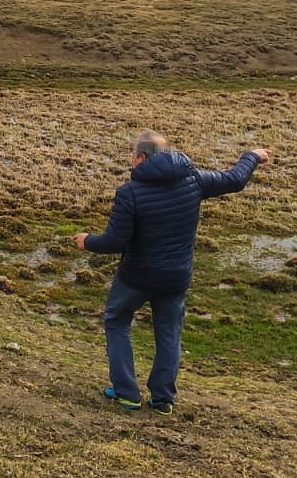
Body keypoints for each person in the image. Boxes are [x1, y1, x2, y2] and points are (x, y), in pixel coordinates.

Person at [74, 131, 270, 414]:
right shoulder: (194, 180)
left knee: (117, 321)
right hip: (176, 277)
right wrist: (252, 155)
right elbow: (235, 179)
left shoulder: (129, 193)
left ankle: (127, 393)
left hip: (137, 277)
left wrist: (87, 240)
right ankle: (163, 398)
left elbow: (115, 242)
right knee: (169, 333)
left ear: (140, 158)